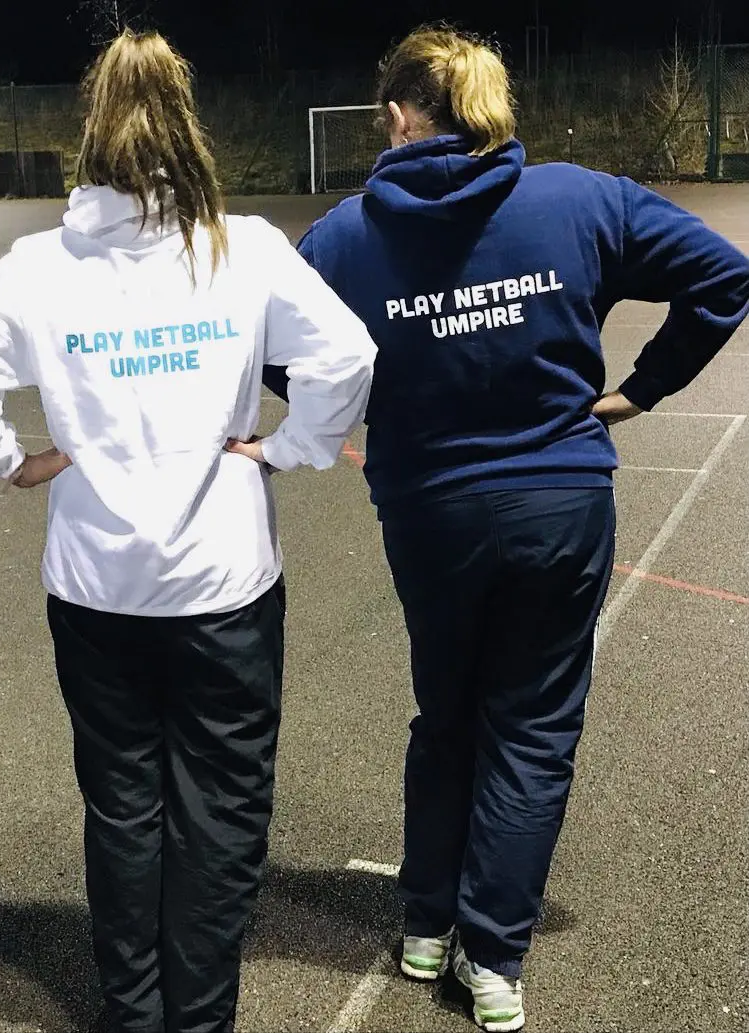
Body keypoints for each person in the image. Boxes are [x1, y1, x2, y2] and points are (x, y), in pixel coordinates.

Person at [283, 25, 749, 1033]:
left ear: (404, 115)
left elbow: (280, 358)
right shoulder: (584, 199)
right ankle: (493, 955)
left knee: (445, 711)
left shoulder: (346, 235)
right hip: (558, 502)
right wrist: (638, 392)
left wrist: (380, 384)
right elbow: (724, 277)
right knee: (533, 728)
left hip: (430, 512)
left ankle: (424, 922)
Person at [0, 29, 375, 1033]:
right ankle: (199, 1015)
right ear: (187, 125)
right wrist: (292, 449)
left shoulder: (41, 267)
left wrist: (8, 460)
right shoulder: (240, 249)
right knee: (221, 811)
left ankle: (134, 1012)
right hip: (224, 583)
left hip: (95, 586)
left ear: (94, 132)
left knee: (123, 806)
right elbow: (347, 355)